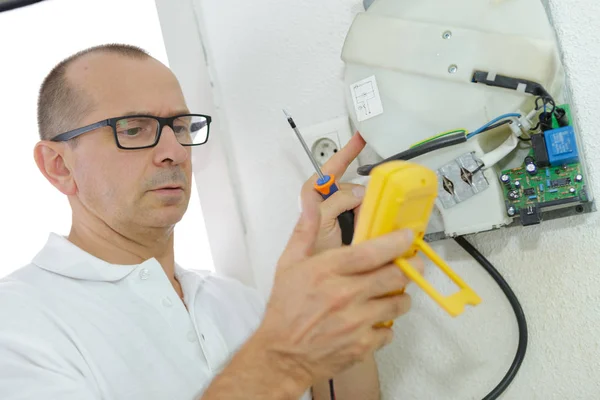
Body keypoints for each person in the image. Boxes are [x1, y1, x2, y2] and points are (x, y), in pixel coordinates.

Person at [0, 44, 420, 400]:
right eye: (133, 128)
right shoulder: (18, 324)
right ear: (58, 165)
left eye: (180, 127)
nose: (174, 151)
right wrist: (281, 356)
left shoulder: (237, 302)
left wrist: (335, 275)